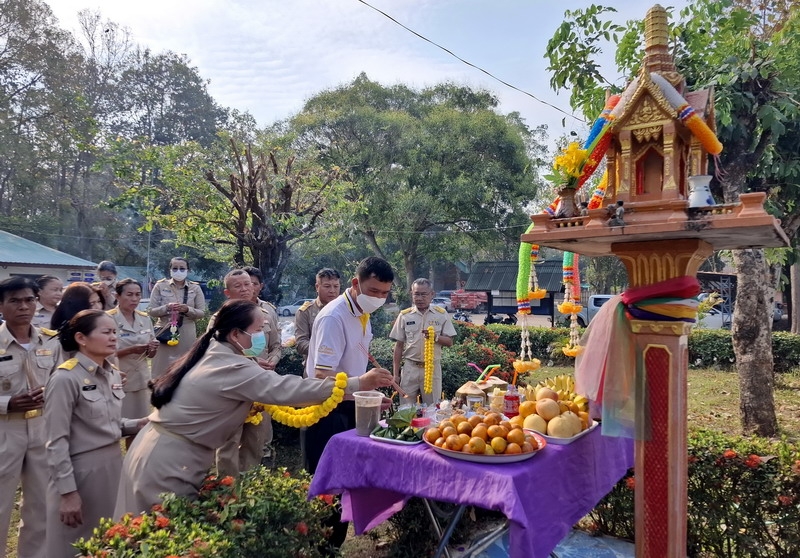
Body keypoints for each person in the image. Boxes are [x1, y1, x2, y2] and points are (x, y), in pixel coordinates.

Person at [113, 299, 393, 517]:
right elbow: (289, 389)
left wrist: (356, 397)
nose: (263, 336)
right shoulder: (232, 366)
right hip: (168, 463)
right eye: (258, 330)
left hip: (164, 452)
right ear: (236, 334)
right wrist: (358, 382)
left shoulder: (217, 352)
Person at [304, 256, 394, 552]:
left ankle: (334, 545)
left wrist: (368, 396)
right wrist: (362, 384)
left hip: (348, 405)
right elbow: (322, 377)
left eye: (384, 293)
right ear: (356, 283)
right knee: (327, 485)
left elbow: (352, 369)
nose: (378, 298)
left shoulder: (361, 314)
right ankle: (321, 547)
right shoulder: (334, 317)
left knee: (345, 482)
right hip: (327, 411)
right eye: (373, 291)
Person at [44, 310, 147, 557]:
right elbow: (56, 441)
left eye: (115, 332)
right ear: (81, 338)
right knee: (75, 544)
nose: (113, 337)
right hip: (80, 472)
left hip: (112, 466)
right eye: (106, 332)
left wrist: (139, 424)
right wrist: (68, 492)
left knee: (109, 541)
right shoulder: (65, 378)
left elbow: (107, 423)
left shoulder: (111, 373)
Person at [0, 277, 60, 558]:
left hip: (42, 429)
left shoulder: (51, 340)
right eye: (14, 301)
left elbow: (62, 381)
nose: (23, 307)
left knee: (41, 505)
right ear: (1, 306)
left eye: (29, 300)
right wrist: (8, 403)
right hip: (5, 429)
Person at [212, 270, 280, 475]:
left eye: (247, 284)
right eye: (238, 286)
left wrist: (273, 360)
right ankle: (227, 486)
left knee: (256, 440)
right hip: (232, 389)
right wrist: (251, 362)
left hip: (260, 386)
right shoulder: (219, 319)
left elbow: (276, 345)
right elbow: (214, 354)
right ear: (227, 292)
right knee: (229, 443)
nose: (244, 289)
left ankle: (250, 482)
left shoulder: (266, 314)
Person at [107, 279, 158, 445]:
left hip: (141, 381)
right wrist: (130, 350)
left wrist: (152, 348)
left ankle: (133, 459)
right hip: (118, 380)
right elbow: (102, 353)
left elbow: (150, 355)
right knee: (114, 428)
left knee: (139, 428)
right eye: (129, 294)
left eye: (137, 295)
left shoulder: (145, 319)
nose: (134, 299)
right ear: (117, 296)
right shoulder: (107, 319)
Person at [390, 278, 456, 406]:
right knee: (406, 407)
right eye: (416, 294)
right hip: (410, 368)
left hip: (431, 369)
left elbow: (449, 341)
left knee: (433, 407)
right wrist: (395, 375)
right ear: (411, 294)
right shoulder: (405, 315)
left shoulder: (441, 314)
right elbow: (398, 346)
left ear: (432, 294)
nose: (419, 298)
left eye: (424, 294)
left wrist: (435, 337)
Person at [148, 257, 206, 378]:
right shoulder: (160, 285)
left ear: (188, 270)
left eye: (182, 268)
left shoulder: (195, 288)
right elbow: (151, 310)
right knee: (160, 368)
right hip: (164, 329)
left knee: (185, 367)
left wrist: (187, 309)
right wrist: (166, 307)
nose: (178, 271)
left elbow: (201, 312)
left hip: (186, 330)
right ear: (170, 270)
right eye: (175, 268)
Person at [295, 268, 341, 366]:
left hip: (342, 368)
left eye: (336, 286)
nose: (332, 291)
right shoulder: (305, 312)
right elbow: (301, 343)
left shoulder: (345, 310)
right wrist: (326, 350)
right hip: (315, 369)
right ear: (317, 287)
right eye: (327, 286)